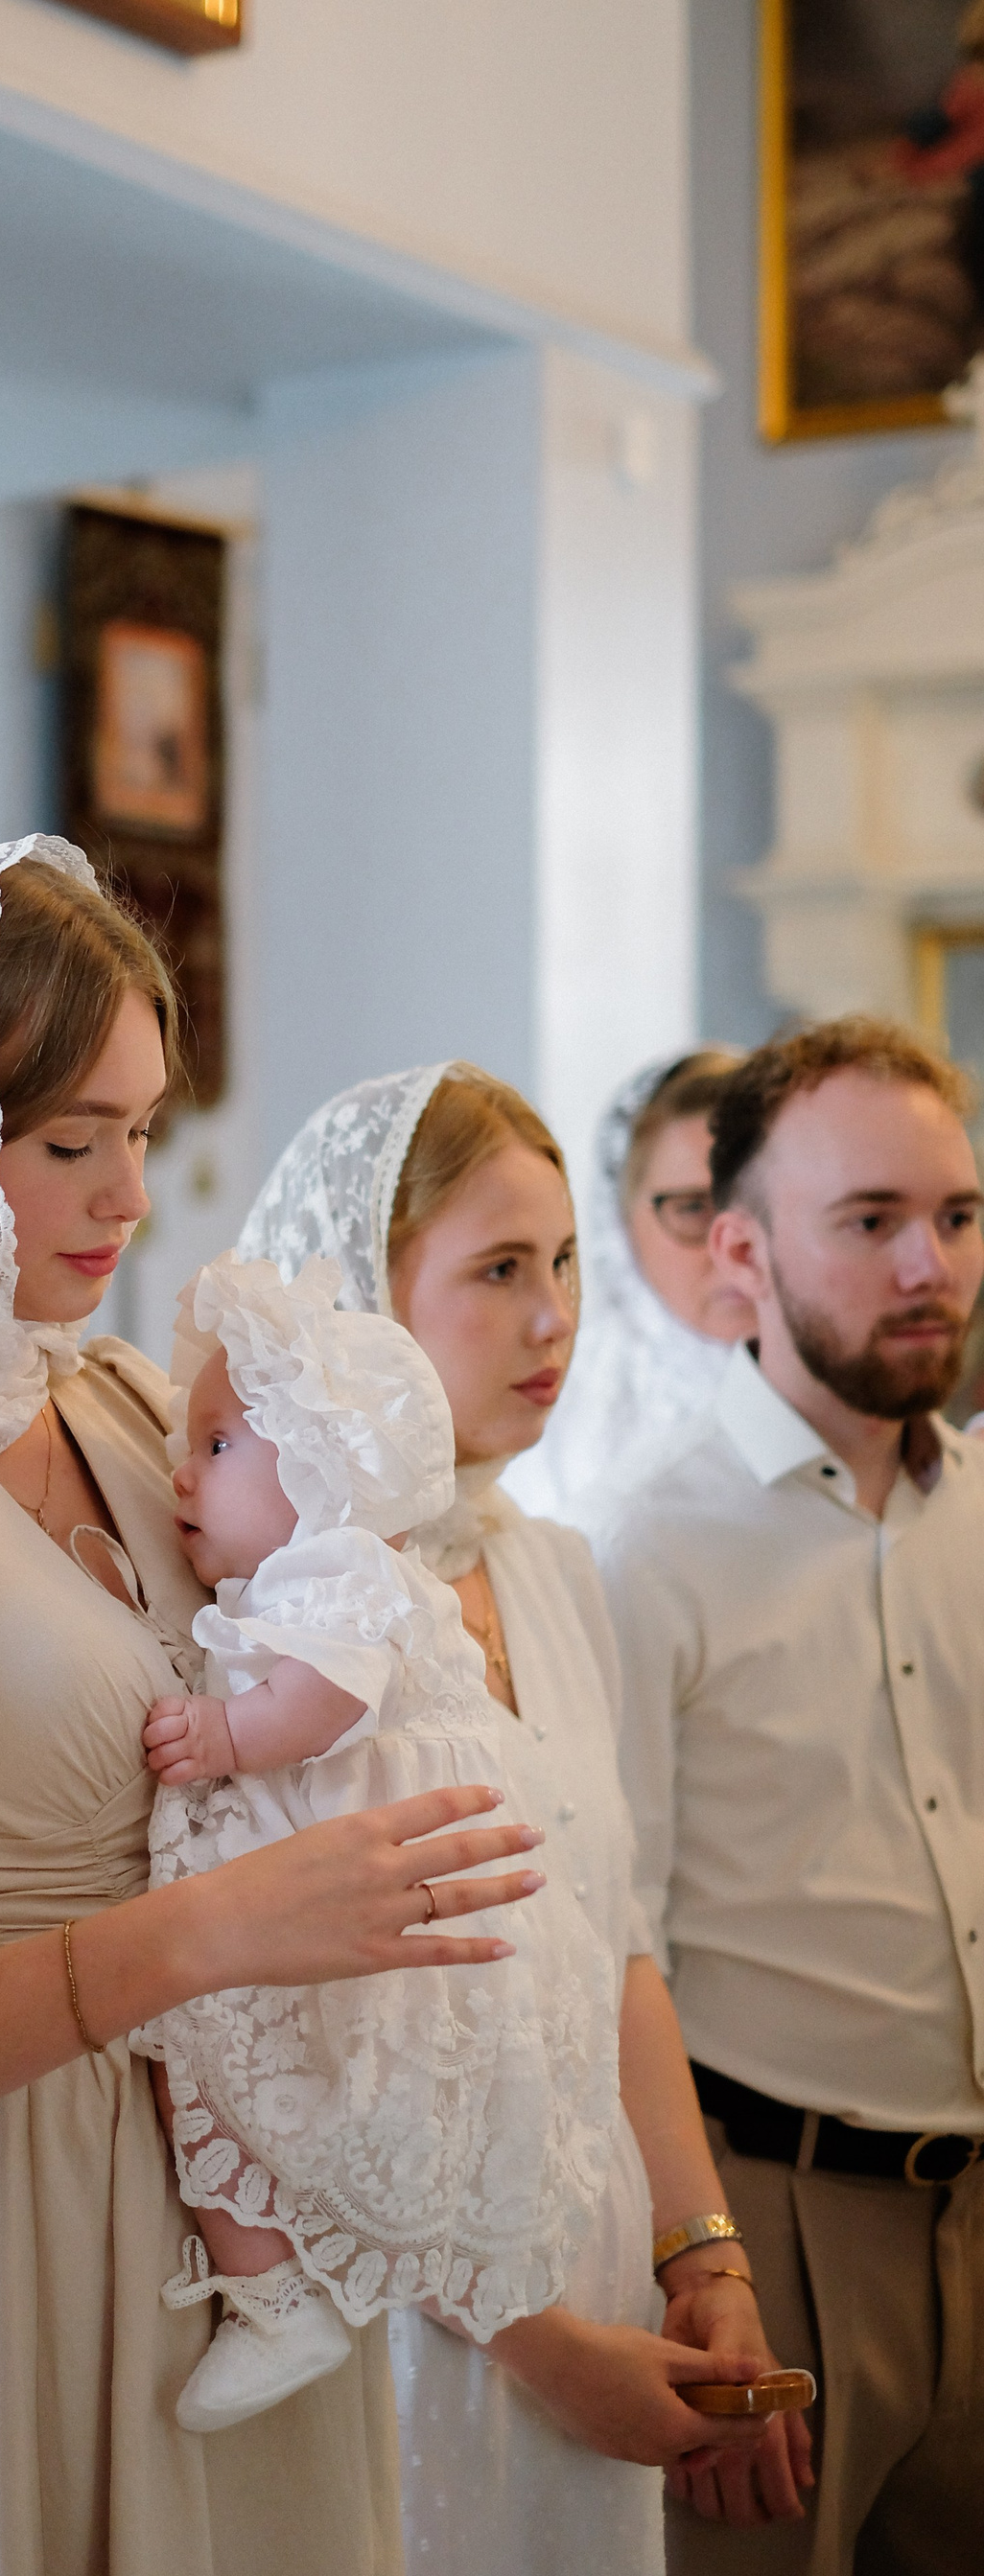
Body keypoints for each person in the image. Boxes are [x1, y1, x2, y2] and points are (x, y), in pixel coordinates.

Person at [0, 842, 547, 2576]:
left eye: (144, 1133)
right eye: (72, 1143)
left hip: (256, 2221)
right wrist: (204, 1934)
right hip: (25, 2235)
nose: (131, 1195)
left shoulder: (123, 1398)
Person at [241, 1063, 806, 2576]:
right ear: (364, 1298)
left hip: (595, 2278)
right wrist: (546, 2350)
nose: (556, 1317)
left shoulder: (552, 1569)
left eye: (562, 1262)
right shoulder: (300, 1619)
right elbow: (302, 2067)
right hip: (411, 2328)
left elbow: (619, 1948)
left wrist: (704, 2257)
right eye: (499, 1270)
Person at [597, 1014, 984, 2575]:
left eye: (957, 1216)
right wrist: (701, 2266)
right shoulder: (647, 1547)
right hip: (774, 2220)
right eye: (871, 1222)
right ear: (743, 1252)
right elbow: (614, 1945)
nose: (930, 1268)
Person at [138, 1250, 618, 2433]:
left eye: (218, 1445)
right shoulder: (308, 1575)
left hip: (370, 1894)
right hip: (339, 1882)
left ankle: (276, 2292)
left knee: (218, 2048)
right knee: (223, 2061)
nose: (181, 1472)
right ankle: (275, 2285)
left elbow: (328, 1697)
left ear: (322, 1468)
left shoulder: (348, 1570)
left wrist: (227, 1733)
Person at [506, 1048, 753, 1530]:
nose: (735, 1247)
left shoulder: (859, 1386)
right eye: (693, 1208)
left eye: (759, 1205)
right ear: (620, 1223)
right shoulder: (556, 1410)